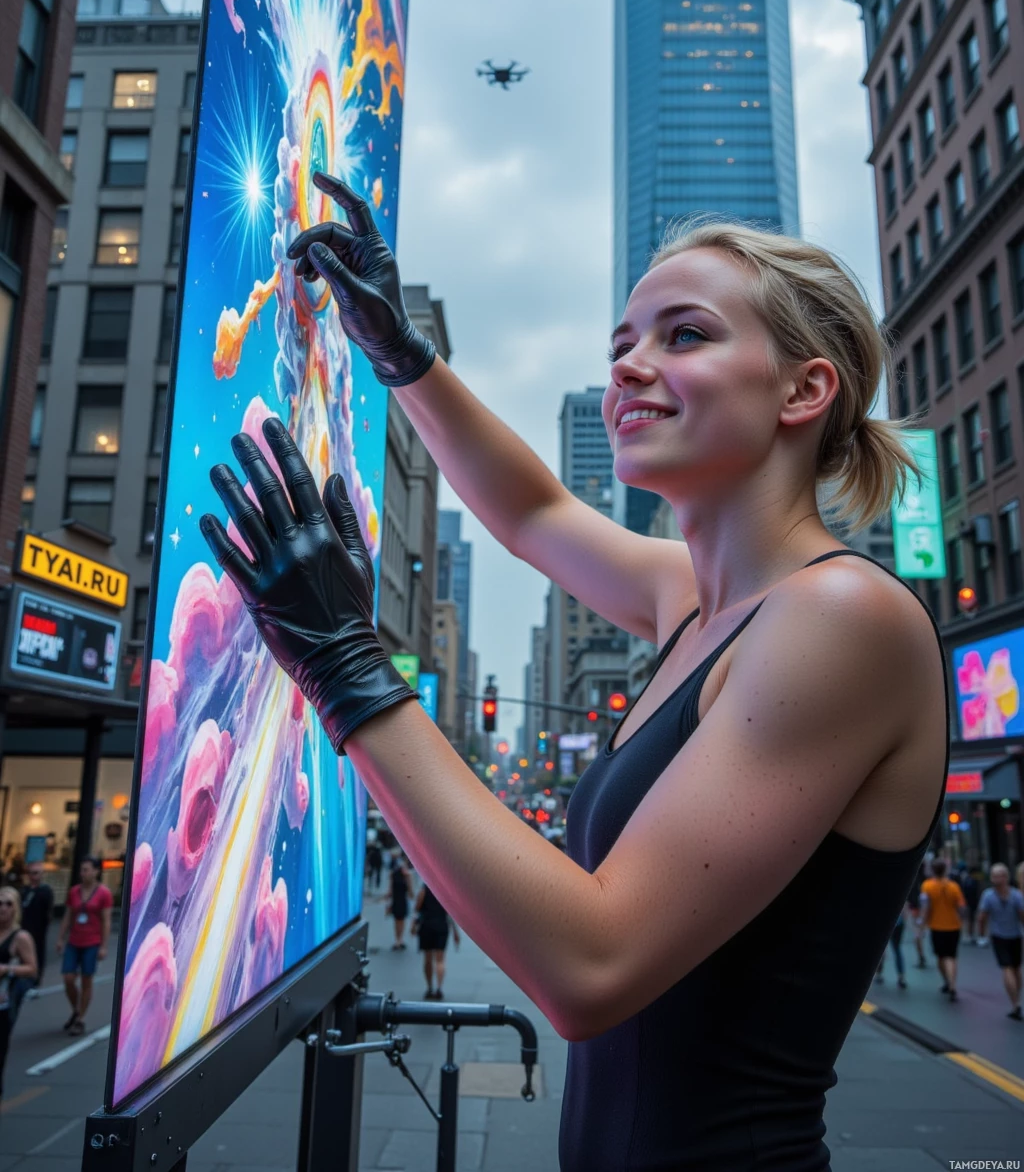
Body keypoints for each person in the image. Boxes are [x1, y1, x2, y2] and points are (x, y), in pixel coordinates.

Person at [200, 181, 951, 1172]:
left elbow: (590, 966)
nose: (630, 365)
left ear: (803, 392)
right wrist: (401, 357)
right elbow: (534, 514)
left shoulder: (838, 617)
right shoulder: (701, 598)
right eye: (620, 345)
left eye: (684, 335)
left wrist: (345, 667)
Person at [56, 855, 112, 1035]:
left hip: (92, 942)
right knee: (68, 978)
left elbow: (106, 921)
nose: (83, 873)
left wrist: (103, 946)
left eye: (87, 869)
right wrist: (60, 937)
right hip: (74, 940)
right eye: (82, 870)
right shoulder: (74, 891)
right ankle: (76, 1009)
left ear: (96, 871)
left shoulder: (104, 893)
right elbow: (68, 915)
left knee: (86, 979)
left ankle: (80, 1019)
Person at [0, 887, 38, 1105]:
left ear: (15, 908)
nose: (3, 908)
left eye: (8, 903)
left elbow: (32, 969)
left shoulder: (20, 937)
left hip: (3, 1005)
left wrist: (7, 969)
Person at [976, 863, 1024, 1021]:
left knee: (1008, 968)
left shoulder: (988, 895)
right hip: (1015, 935)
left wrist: (981, 935)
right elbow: (1022, 915)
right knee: (1015, 968)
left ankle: (1015, 1002)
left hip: (1001, 937)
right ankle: (1017, 998)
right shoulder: (1016, 894)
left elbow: (982, 917)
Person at [917, 859, 967, 1001]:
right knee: (951, 956)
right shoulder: (953, 886)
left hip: (937, 927)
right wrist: (962, 921)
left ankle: (947, 981)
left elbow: (925, 908)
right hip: (953, 926)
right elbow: (962, 907)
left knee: (941, 956)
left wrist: (922, 925)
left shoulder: (927, 886)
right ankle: (952, 984)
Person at [414, 881, 460, 999]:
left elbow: (417, 907)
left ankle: (429, 988)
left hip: (426, 926)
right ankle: (439, 988)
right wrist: (455, 932)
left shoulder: (425, 889)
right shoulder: (444, 892)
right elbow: (450, 913)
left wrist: (414, 924)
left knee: (427, 959)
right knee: (440, 959)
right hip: (442, 926)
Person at [18, 862, 54, 995]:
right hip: (24, 927)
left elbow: (48, 912)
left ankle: (34, 982)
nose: (33, 876)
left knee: (37, 954)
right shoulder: (24, 890)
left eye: (36, 873)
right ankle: (22, 980)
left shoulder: (45, 891)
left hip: (38, 929)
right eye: (31, 873)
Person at [874, 899, 908, 990]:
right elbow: (905, 906)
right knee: (897, 949)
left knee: (881, 951)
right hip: (898, 922)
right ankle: (901, 977)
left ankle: (878, 974)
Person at [387, 854, 410, 950]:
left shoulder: (394, 875)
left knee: (398, 921)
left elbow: (390, 891)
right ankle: (399, 940)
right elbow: (411, 892)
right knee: (400, 921)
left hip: (397, 900)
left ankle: (398, 940)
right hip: (401, 900)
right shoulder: (406, 876)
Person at [961, 865, 982, 942]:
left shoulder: (970, 880)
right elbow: (970, 893)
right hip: (970, 903)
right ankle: (969, 934)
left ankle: (970, 934)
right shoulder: (970, 881)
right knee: (970, 919)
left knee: (971, 919)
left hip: (971, 903)